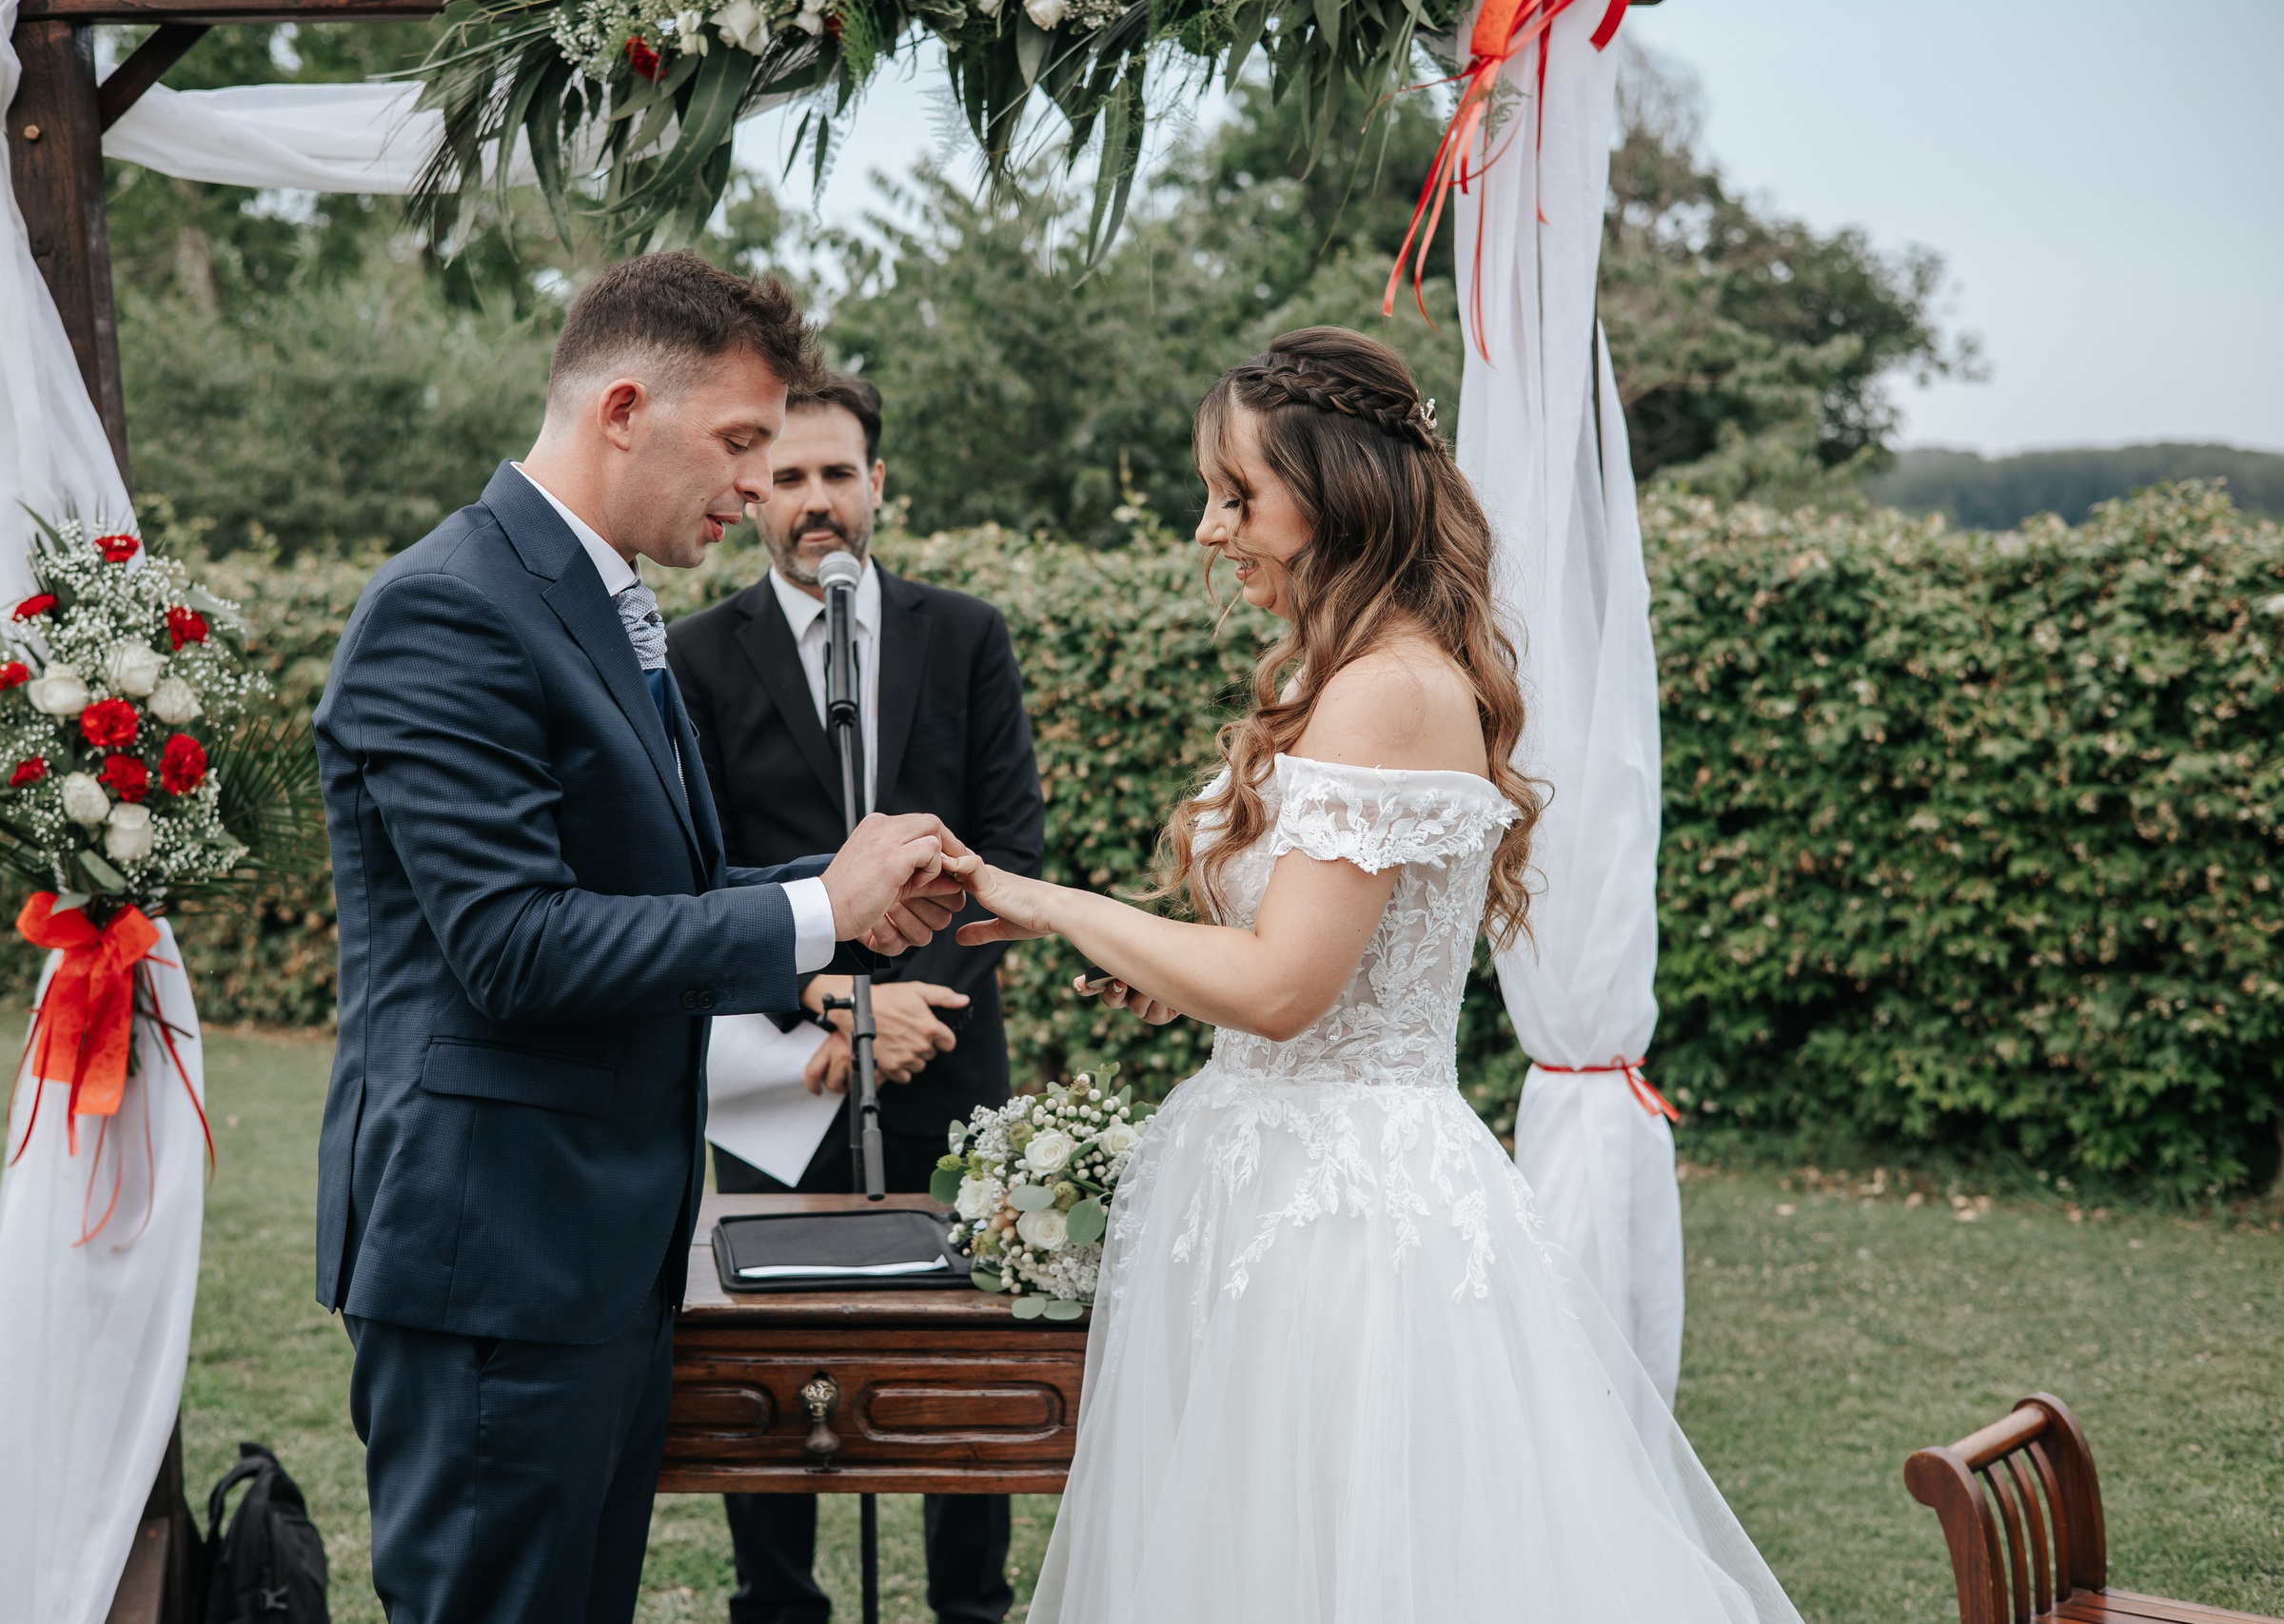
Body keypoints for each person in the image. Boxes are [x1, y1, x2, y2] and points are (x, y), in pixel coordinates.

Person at [949, 328, 1806, 1624]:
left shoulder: (1388, 690)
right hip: (1261, 1178)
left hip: (1346, 1217)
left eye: (1240, 496)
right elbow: (1284, 963)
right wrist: (1180, 970)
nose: (1209, 529)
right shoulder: (1336, 674)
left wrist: (1048, 905)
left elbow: (1286, 990)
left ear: (1339, 493)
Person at [311, 252, 975, 1624]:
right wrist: (815, 913)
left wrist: (844, 890)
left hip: (605, 1250)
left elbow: (665, 879)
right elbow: (516, 947)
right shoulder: (447, 610)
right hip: (494, 1253)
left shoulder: (602, 602)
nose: (756, 482)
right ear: (623, 408)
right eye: (740, 442)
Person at [669, 372, 1042, 1624]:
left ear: (878, 484)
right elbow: (695, 875)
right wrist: (834, 1002)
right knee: (769, 1361)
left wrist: (914, 1008)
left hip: (949, 1055)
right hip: (778, 1066)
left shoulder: (967, 635)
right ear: (753, 494)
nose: (814, 500)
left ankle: (969, 1607)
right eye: (786, 477)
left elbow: (1012, 853)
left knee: (961, 1353)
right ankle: (777, 1605)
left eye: (838, 473)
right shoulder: (694, 658)